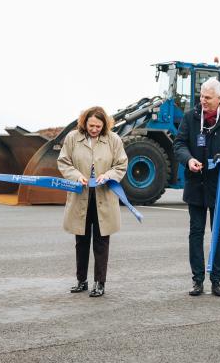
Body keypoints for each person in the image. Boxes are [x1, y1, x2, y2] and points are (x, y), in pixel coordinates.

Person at [173, 78, 220, 297]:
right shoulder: (190, 117)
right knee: (195, 232)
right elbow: (179, 145)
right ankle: (197, 280)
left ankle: (216, 280)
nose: (202, 101)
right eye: (201, 96)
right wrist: (189, 160)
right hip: (196, 185)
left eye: (208, 97)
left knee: (219, 234)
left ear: (219, 98)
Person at [56, 106, 129, 298]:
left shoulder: (114, 140)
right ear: (84, 122)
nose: (94, 129)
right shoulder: (72, 138)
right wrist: (76, 175)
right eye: (91, 125)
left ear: (104, 124)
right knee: (81, 240)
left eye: (98, 126)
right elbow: (64, 162)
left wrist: (108, 175)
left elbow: (121, 164)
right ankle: (81, 281)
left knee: (101, 241)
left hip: (103, 197)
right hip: (80, 196)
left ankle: (100, 283)